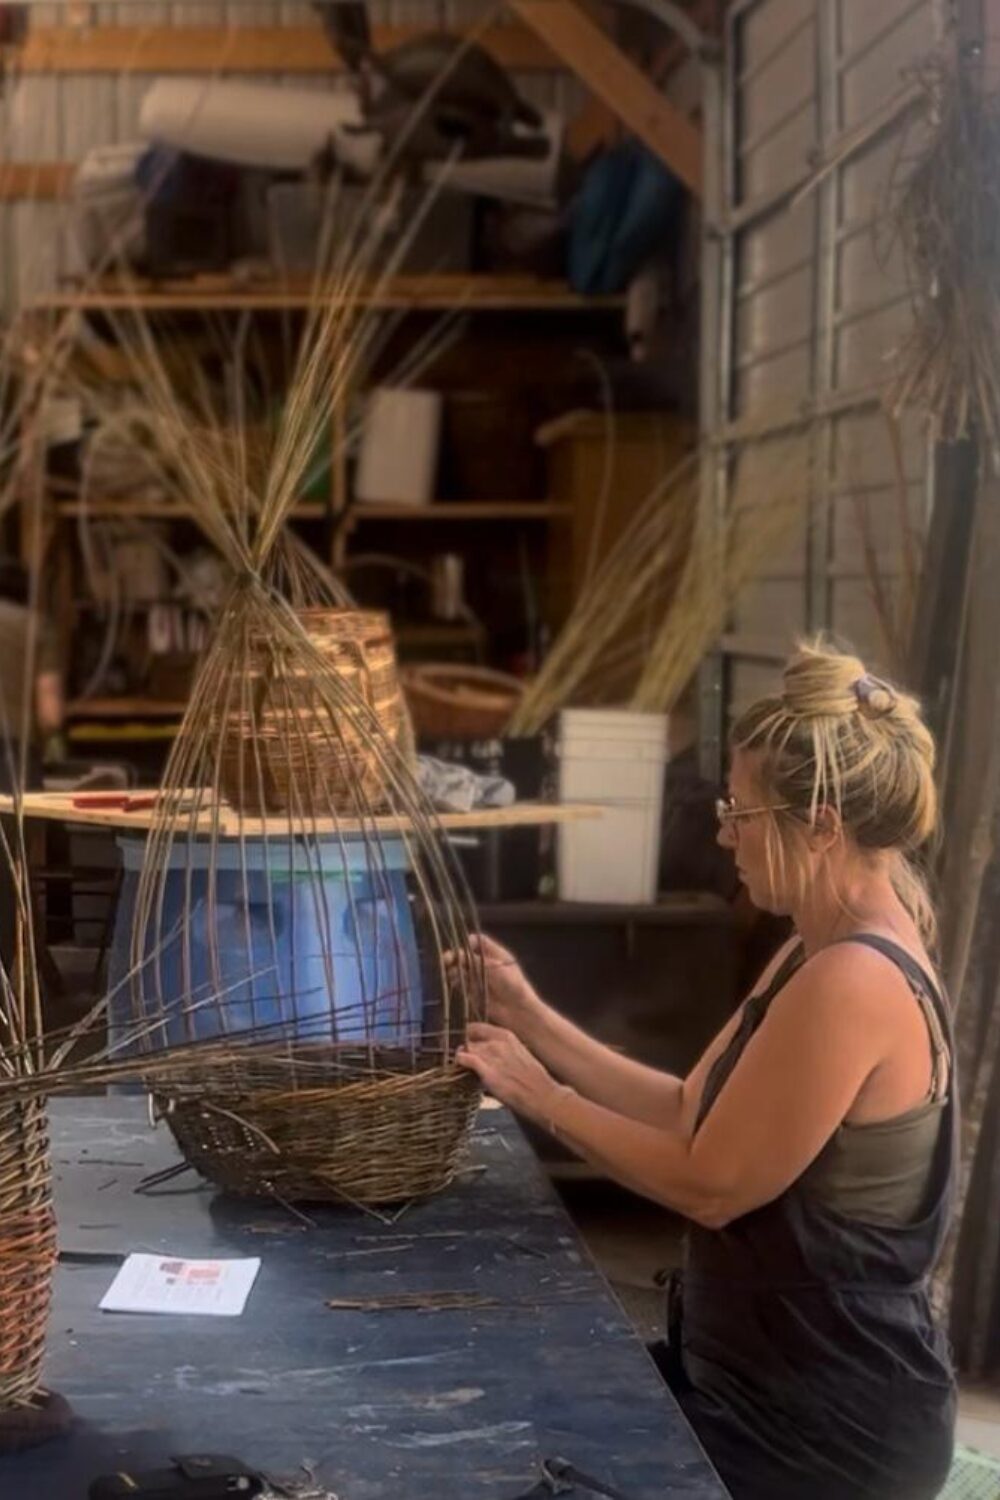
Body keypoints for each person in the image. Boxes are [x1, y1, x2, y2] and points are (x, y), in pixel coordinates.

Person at [455, 640, 956, 1500]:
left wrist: (540, 1095)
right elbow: (693, 1108)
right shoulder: (815, 944)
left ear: (822, 823)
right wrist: (528, 1018)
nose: (723, 833)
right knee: (522, 1428)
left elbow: (711, 1183)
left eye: (741, 811)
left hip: (825, 1428)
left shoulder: (856, 979)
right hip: (753, 1382)